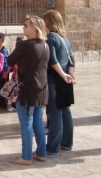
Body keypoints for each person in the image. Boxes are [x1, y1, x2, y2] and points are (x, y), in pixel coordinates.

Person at [7, 15, 50, 165]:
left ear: (34, 28)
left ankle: (26, 156)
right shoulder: (46, 45)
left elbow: (10, 59)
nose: (23, 28)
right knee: (38, 121)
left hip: (27, 90)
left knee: (26, 123)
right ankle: (41, 153)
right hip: (42, 89)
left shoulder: (25, 45)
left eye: (26, 25)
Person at [43, 9, 75, 155]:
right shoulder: (65, 38)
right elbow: (71, 60)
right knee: (65, 112)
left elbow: (53, 60)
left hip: (55, 78)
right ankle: (67, 143)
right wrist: (69, 75)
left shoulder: (51, 38)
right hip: (65, 78)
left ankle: (52, 147)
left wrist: (62, 75)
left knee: (55, 114)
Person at [0, 32, 9, 110]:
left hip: (3, 73)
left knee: (2, 88)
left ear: (0, 40)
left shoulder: (4, 50)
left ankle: (3, 104)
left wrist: (5, 71)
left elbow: (6, 62)